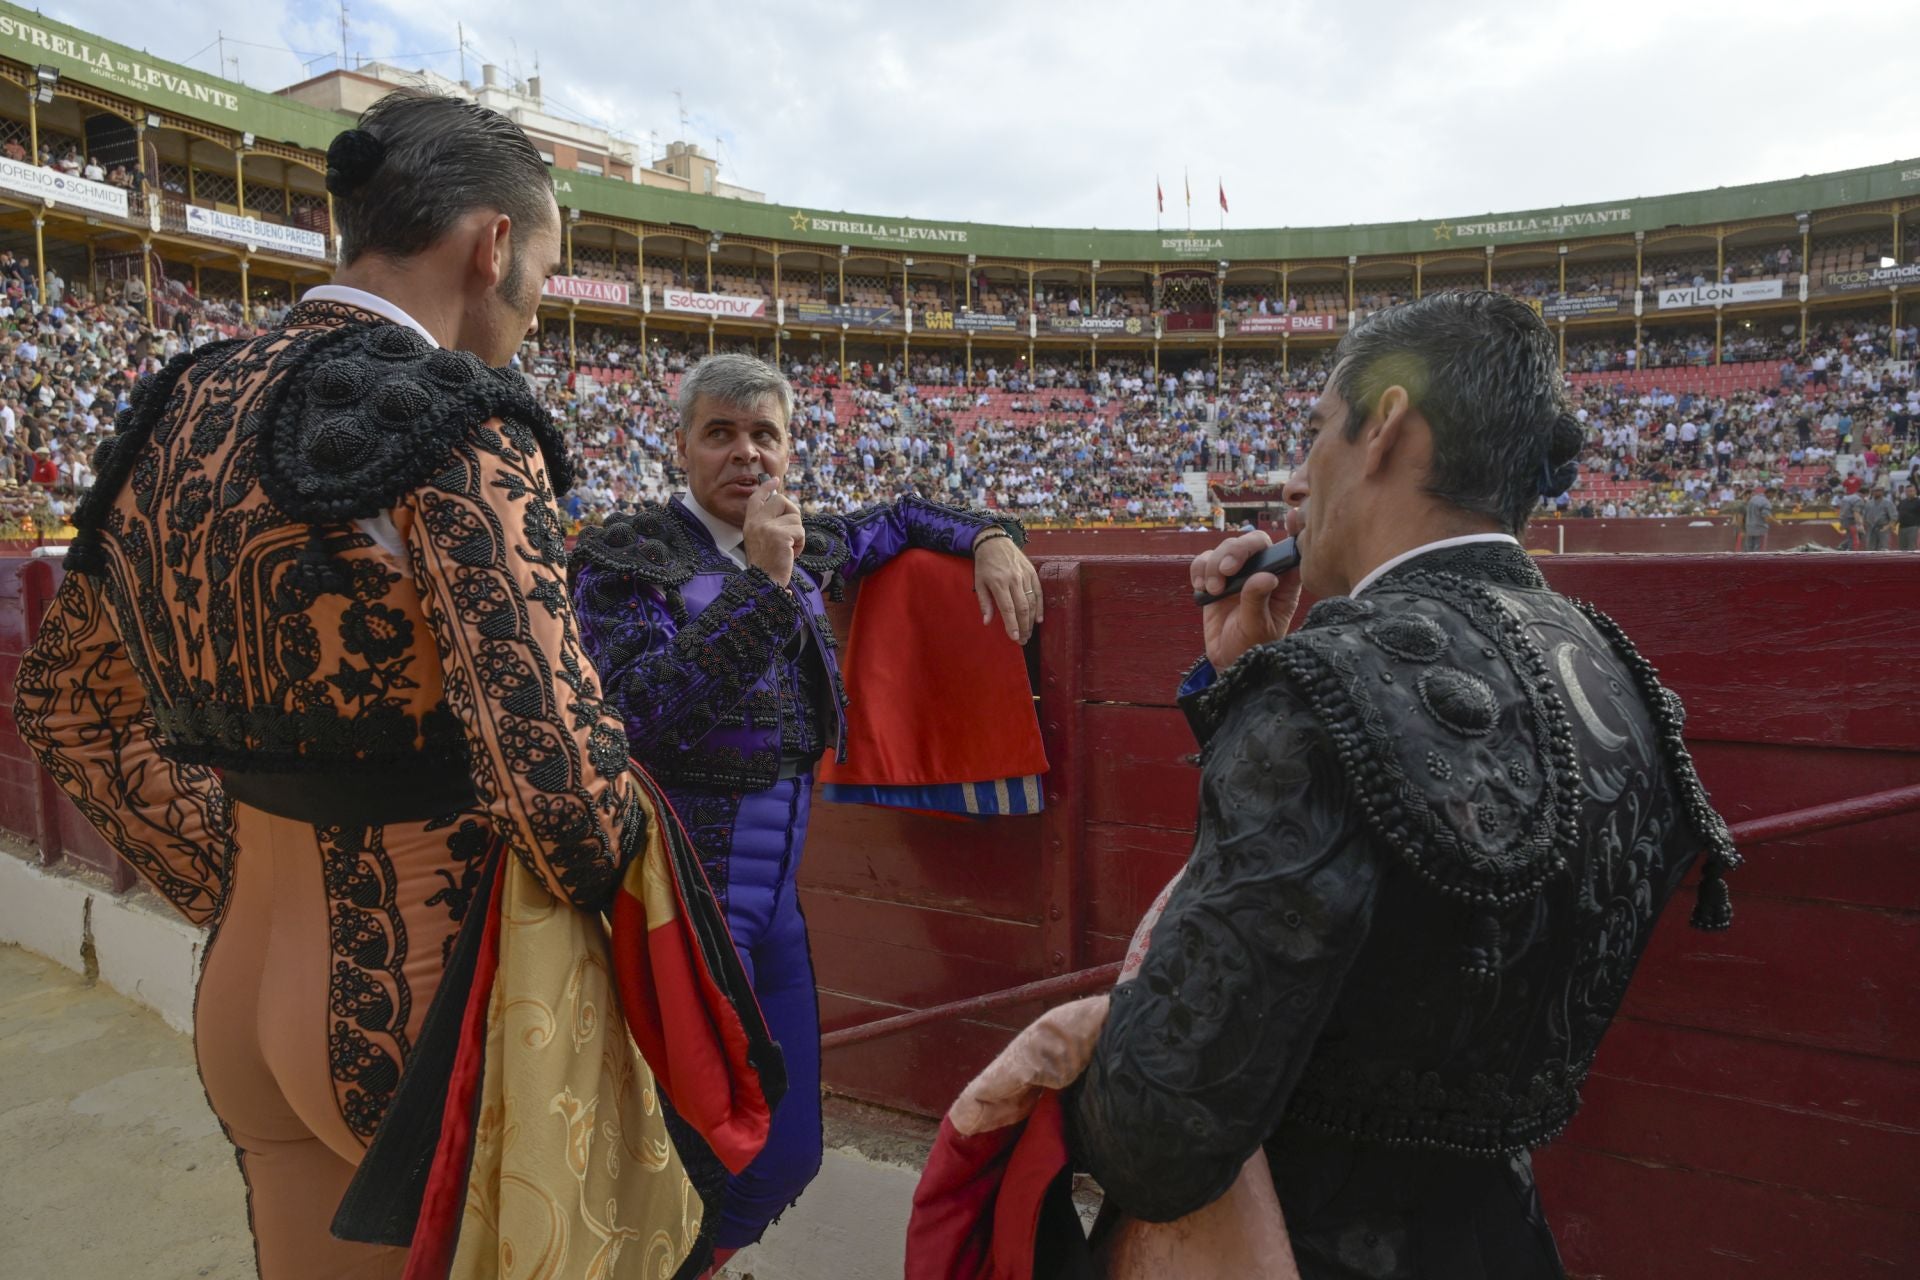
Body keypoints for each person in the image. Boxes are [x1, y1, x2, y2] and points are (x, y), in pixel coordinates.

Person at [12, 90, 756, 1280]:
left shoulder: (174, 406)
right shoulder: (455, 418)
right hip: (414, 1005)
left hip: (246, 988)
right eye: (547, 268)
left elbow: (65, 707)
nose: (538, 304)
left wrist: (235, 871)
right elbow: (561, 789)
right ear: (492, 244)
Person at [1065, 292, 1738, 1278]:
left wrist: (1062, 1079)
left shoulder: (1325, 685)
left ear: (1383, 427)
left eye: (1315, 434)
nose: (1301, 478)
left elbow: (1160, 1129)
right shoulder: (1610, 663)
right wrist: (1247, 681)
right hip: (1504, 1239)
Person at [569, 352, 1042, 1267]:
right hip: (671, 901)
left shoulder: (800, 539)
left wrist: (988, 534)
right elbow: (640, 718)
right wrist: (761, 580)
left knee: (788, 1155)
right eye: (720, 433)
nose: (745, 455)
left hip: (773, 910)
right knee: (679, 1148)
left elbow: (903, 514)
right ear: (680, 446)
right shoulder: (625, 556)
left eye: (764, 436)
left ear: (788, 449)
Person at [1865, 483, 1896, 551]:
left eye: (1879, 490)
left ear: (1882, 492)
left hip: (1883, 527)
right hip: (1871, 529)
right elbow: (1865, 516)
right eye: (1875, 491)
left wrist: (1887, 527)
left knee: (1884, 548)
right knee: (1870, 549)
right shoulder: (1869, 503)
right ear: (1872, 492)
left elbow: (1894, 517)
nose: (1877, 492)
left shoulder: (1888, 502)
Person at [1742, 482, 1772, 551]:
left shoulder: (1751, 502)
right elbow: (1739, 518)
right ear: (1746, 495)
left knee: (1749, 546)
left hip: (1749, 527)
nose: (1752, 495)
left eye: (1753, 494)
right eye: (1750, 494)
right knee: (1755, 547)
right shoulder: (1750, 503)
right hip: (1755, 527)